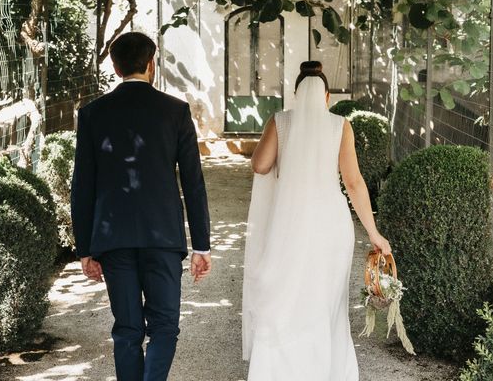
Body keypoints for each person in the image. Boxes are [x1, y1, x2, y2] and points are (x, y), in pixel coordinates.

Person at [71, 32, 212, 381]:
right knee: (165, 326)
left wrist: (85, 249)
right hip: (163, 236)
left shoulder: (92, 114)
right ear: (152, 63)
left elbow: (82, 185)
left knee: (128, 329)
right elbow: (193, 183)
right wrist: (202, 245)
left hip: (112, 236)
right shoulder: (176, 111)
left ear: (115, 67)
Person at [242, 61, 392, 381]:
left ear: (296, 94)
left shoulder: (280, 122)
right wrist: (374, 233)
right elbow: (353, 183)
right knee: (325, 302)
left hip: (288, 225)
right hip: (331, 226)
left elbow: (259, 166)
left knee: (286, 295)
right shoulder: (340, 125)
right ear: (326, 97)